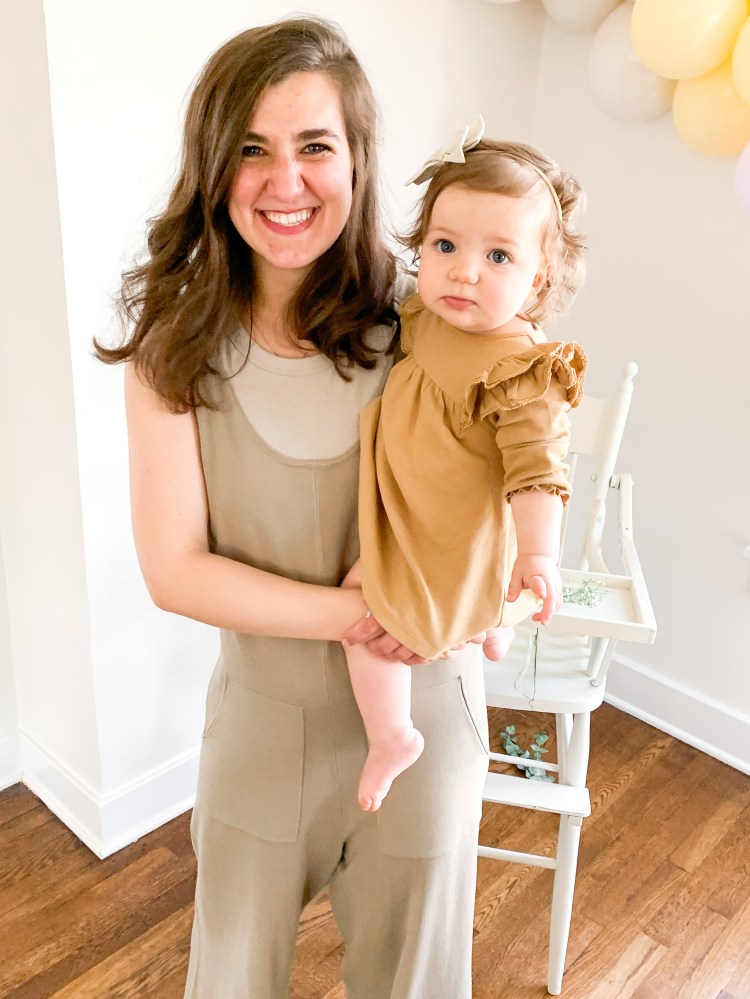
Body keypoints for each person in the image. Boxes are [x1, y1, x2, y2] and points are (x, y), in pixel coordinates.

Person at [96, 16, 496, 999]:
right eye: (251, 150)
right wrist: (363, 612)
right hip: (264, 731)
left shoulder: (430, 327)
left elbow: (507, 482)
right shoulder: (172, 353)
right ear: (212, 166)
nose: (286, 182)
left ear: (357, 158)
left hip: (427, 721)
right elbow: (174, 569)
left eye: (315, 146)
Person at [344, 120, 588, 813]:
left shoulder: (523, 370)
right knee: (470, 584)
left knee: (364, 603)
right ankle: (491, 618)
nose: (464, 270)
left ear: (538, 277)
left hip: (444, 537)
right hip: (424, 510)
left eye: (498, 256)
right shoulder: (428, 317)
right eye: (444, 245)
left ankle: (391, 734)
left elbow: (538, 473)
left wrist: (538, 554)